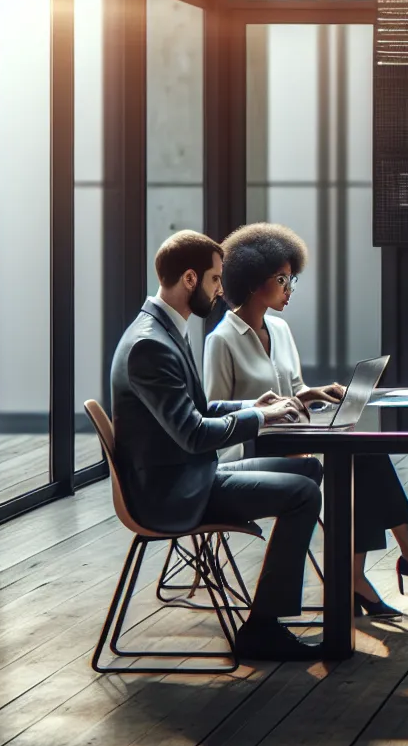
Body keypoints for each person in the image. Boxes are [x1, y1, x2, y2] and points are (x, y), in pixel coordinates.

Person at [204, 222, 408, 618]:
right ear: (254, 281)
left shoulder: (280, 329)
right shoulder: (221, 340)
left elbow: (293, 390)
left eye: (292, 279)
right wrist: (266, 409)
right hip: (253, 451)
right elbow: (215, 410)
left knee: (365, 452)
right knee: (360, 459)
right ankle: (400, 560)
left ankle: (379, 567)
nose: (290, 288)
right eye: (282, 279)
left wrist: (314, 393)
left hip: (295, 438)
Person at [108, 230, 318, 662]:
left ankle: (282, 609)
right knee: (303, 494)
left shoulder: (163, 329)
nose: (222, 289)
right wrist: (260, 419)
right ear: (190, 279)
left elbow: (198, 409)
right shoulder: (150, 344)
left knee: (309, 470)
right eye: (215, 279)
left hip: (189, 475)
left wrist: (253, 405)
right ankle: (263, 627)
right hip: (173, 492)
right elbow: (193, 433)